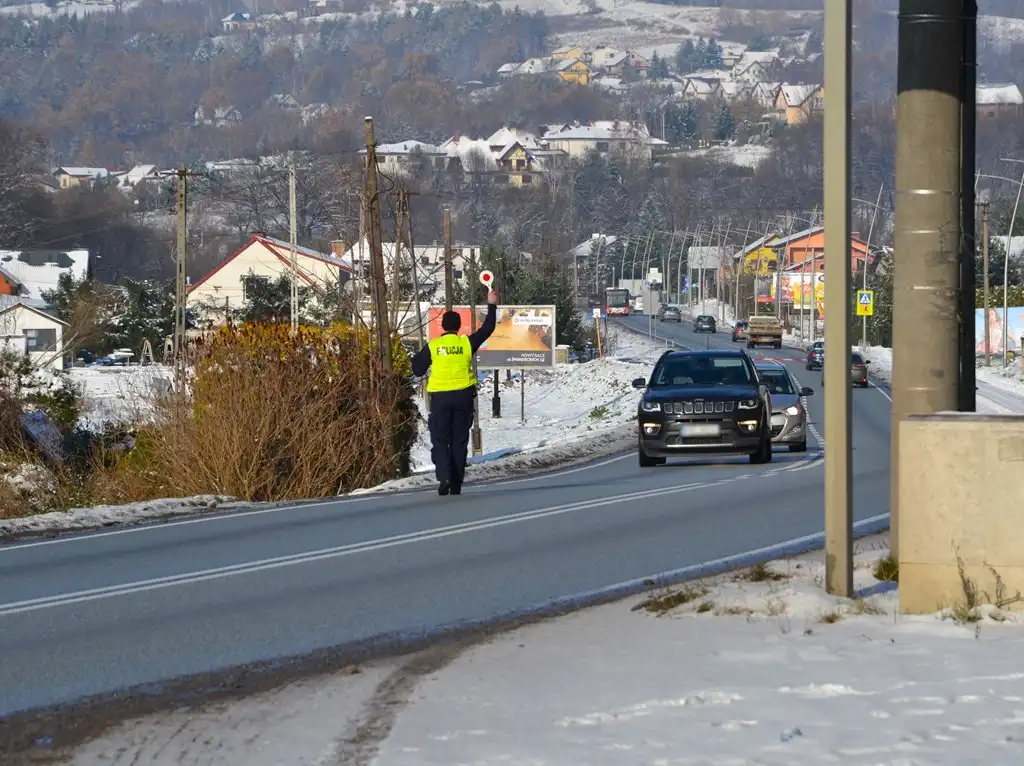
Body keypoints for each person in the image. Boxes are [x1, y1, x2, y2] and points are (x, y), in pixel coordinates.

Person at [411, 290, 498, 496]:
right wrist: (492, 304)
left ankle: (444, 476)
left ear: (442, 327)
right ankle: (457, 482)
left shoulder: (434, 346)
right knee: (459, 441)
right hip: (463, 398)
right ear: (458, 327)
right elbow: (488, 328)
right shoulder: (466, 343)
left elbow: (417, 370)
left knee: (440, 439)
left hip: (440, 399)